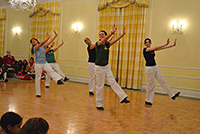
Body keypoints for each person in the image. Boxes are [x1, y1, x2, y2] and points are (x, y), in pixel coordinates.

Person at [94, 25, 130, 110]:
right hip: (99, 67)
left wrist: (122, 34)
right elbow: (103, 40)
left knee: (113, 82)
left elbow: (115, 40)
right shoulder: (98, 44)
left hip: (106, 66)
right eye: (100, 34)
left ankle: (123, 97)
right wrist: (111, 33)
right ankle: (99, 104)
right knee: (100, 86)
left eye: (103, 34)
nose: (101, 35)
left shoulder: (107, 45)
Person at [143, 38, 180, 106]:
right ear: (145, 44)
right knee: (151, 85)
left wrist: (172, 45)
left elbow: (161, 48)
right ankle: (148, 100)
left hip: (155, 67)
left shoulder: (152, 50)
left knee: (162, 81)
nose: (148, 43)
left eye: (149, 42)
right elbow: (157, 47)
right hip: (149, 68)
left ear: (151, 43)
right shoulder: (145, 50)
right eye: (146, 42)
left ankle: (172, 95)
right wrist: (166, 43)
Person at [30, 31, 64, 97]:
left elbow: (47, 47)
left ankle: (58, 80)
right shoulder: (35, 48)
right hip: (38, 65)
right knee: (38, 78)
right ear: (32, 44)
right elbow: (43, 42)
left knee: (51, 71)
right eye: (32, 41)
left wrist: (55, 36)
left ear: (37, 40)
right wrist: (47, 38)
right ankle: (38, 93)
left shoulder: (42, 46)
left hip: (44, 63)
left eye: (34, 40)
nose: (34, 41)